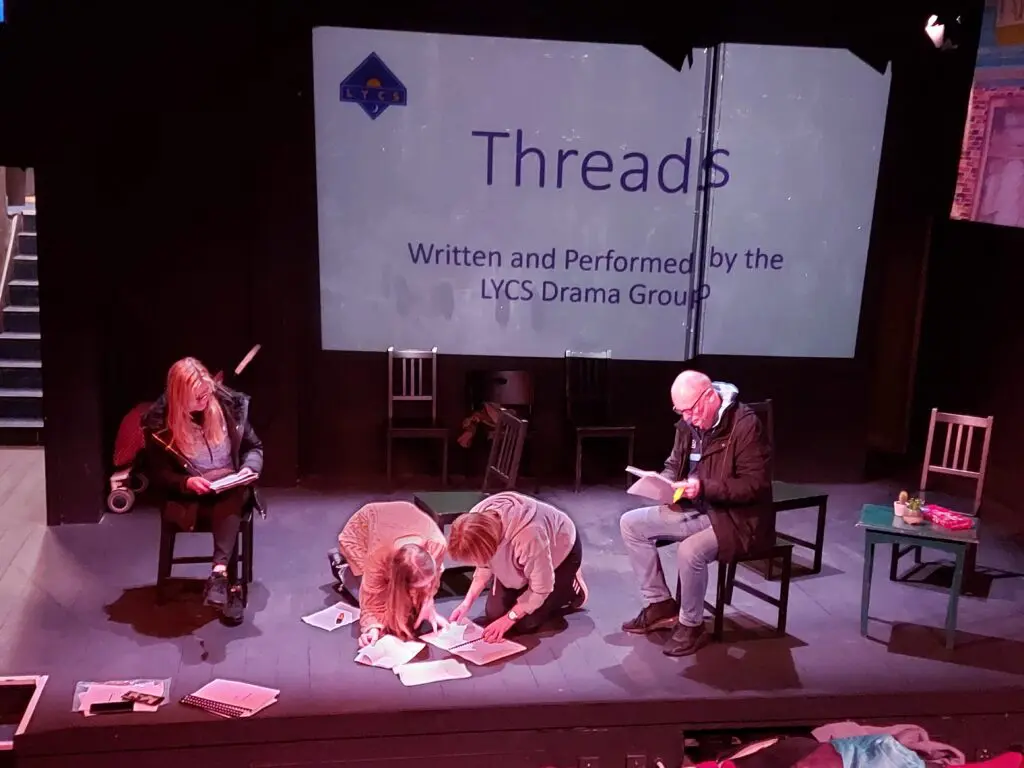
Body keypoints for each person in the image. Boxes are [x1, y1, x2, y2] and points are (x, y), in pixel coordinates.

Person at [619, 370, 772, 657]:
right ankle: (660, 605)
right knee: (631, 524)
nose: (688, 418)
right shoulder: (689, 425)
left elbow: (755, 486)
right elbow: (674, 462)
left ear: (710, 397)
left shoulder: (745, 425)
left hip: (737, 518)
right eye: (681, 411)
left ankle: (692, 625)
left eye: (691, 410)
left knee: (691, 551)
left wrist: (703, 487)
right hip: (696, 508)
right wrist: (664, 485)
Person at [143, 357, 263, 625]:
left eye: (207, 394)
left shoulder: (229, 406)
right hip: (190, 498)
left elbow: (255, 447)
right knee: (226, 509)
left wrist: (247, 469)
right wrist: (185, 483)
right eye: (198, 397)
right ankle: (228, 585)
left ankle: (220, 575)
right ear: (179, 397)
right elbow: (158, 474)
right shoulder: (158, 424)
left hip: (229, 490)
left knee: (231, 497)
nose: (205, 401)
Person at [447, 491, 588, 642]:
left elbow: (541, 588)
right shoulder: (476, 518)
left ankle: (570, 586)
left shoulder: (529, 536)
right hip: (526, 557)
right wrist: (466, 603)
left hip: (561, 551)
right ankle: (525, 579)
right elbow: (483, 565)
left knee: (526, 623)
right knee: (494, 615)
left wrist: (509, 619)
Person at [329, 501, 449, 648]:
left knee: (407, 610)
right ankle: (342, 568)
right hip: (363, 531)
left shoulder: (437, 545)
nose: (427, 587)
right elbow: (371, 602)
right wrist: (372, 628)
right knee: (364, 595)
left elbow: (433, 578)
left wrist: (428, 602)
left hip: (400, 521)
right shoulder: (378, 555)